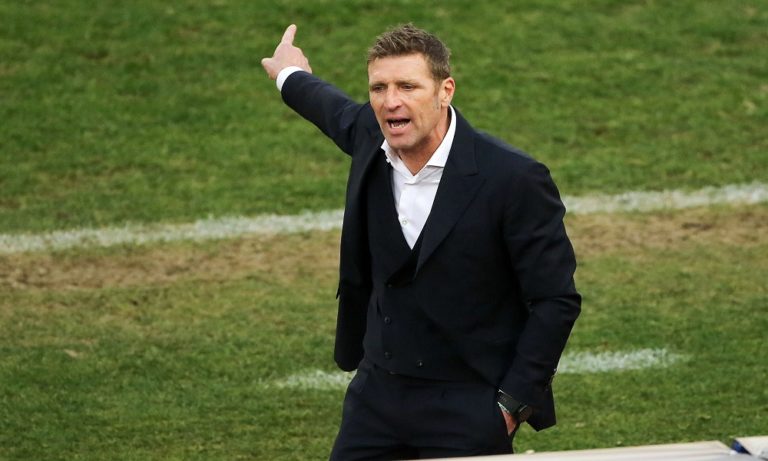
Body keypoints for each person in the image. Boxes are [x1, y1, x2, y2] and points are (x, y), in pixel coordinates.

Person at [262, 23, 581, 460]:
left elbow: (555, 300)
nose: (390, 101)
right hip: (377, 396)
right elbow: (329, 108)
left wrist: (510, 407)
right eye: (379, 88)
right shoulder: (371, 135)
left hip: (467, 403)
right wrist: (289, 73)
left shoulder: (513, 178)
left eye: (408, 86)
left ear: (445, 91)